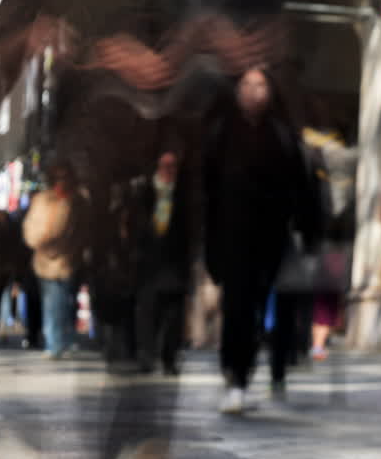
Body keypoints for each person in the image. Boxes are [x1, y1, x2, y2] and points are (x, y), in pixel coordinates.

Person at [203, 66, 318, 415]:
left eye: (261, 84)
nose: (254, 91)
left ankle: (245, 373)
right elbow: (207, 194)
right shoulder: (221, 134)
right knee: (236, 306)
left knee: (254, 309)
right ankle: (234, 376)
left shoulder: (282, 136)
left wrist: (307, 232)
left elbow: (302, 189)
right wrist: (210, 245)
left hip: (271, 238)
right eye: (247, 84)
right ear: (237, 90)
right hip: (231, 237)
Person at [133, 150, 191, 375]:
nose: (168, 170)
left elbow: (190, 232)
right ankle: (147, 356)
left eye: (172, 166)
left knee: (174, 317)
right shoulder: (145, 193)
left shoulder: (183, 195)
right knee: (148, 314)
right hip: (149, 265)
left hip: (175, 266)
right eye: (164, 166)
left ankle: (169, 358)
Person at [22, 162, 83, 359]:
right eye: (58, 178)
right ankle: (55, 342)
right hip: (44, 260)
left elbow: (80, 231)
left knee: (64, 301)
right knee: (51, 300)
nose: (60, 182)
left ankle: (62, 340)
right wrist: (38, 242)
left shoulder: (75, 202)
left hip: (66, 259)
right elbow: (31, 226)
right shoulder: (42, 200)